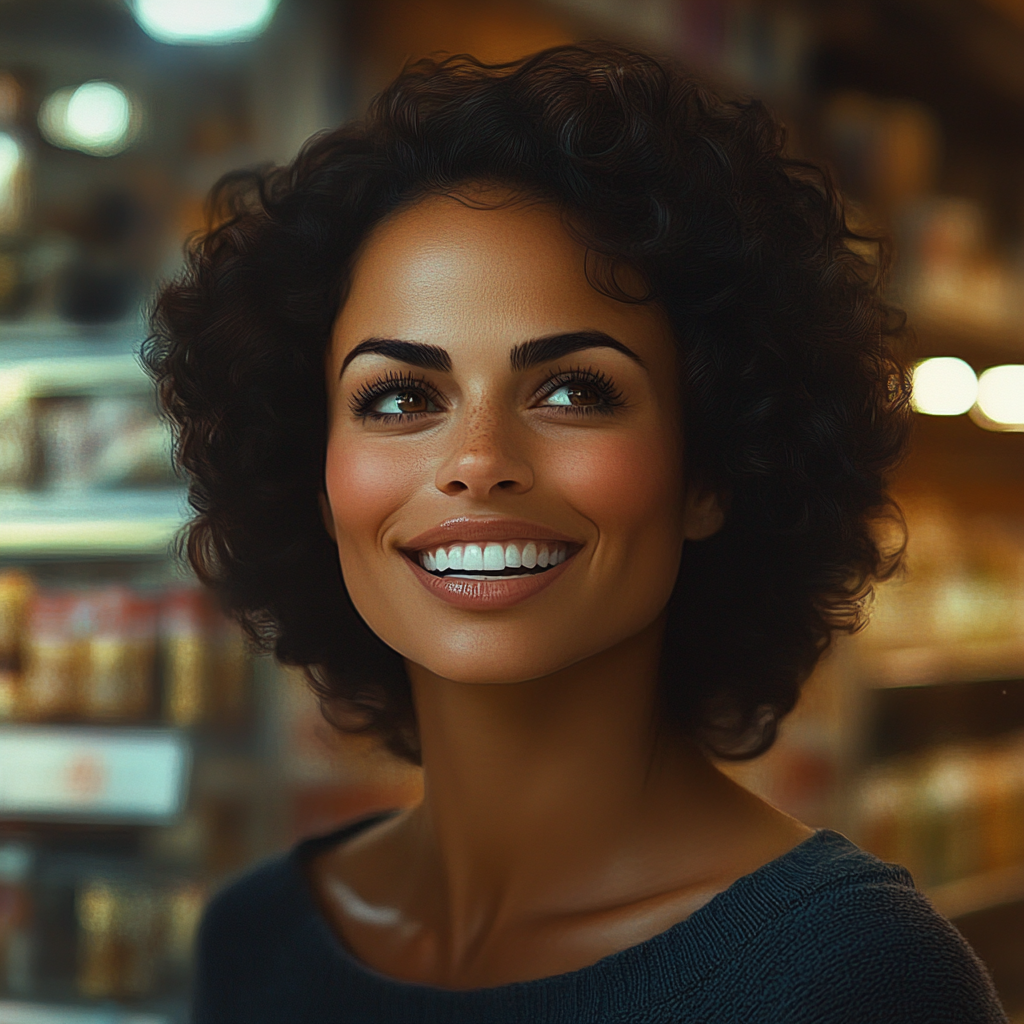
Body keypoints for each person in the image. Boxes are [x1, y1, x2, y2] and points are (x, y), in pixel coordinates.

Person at [145, 43, 1008, 1024]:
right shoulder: (256, 937)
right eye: (398, 396)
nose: (476, 458)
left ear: (711, 469)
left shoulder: (855, 981)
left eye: (572, 389)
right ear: (314, 468)